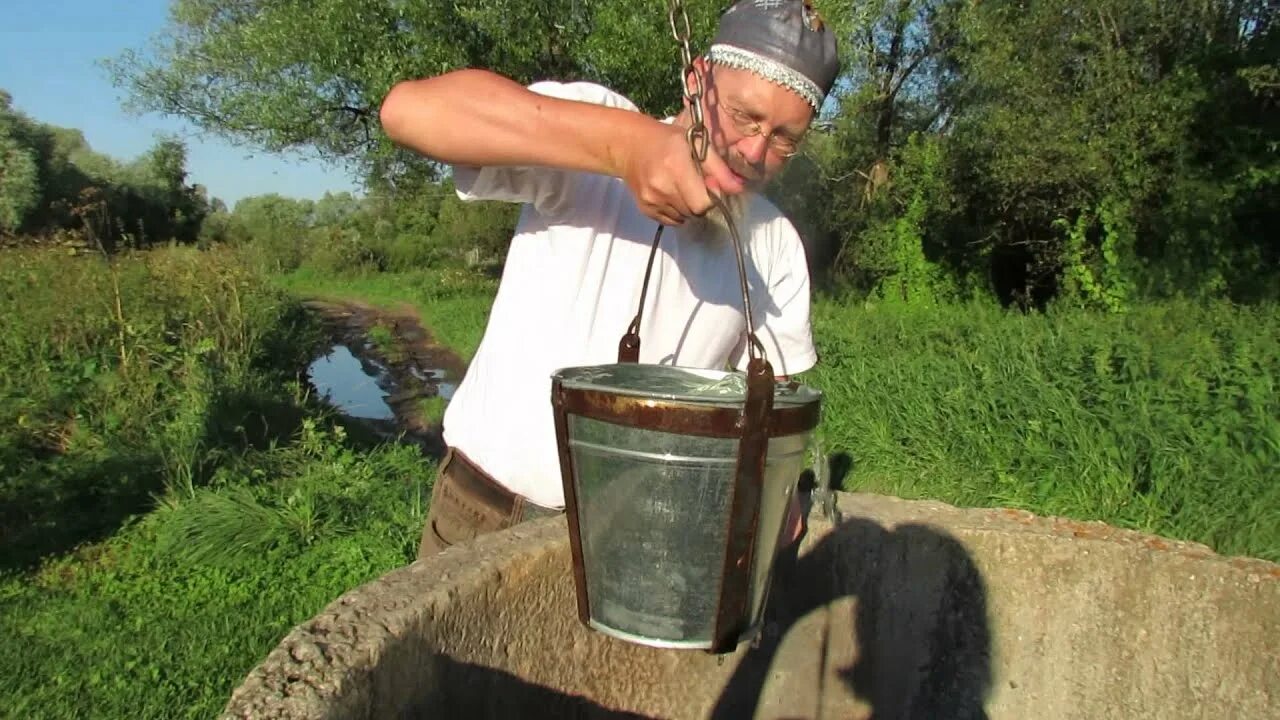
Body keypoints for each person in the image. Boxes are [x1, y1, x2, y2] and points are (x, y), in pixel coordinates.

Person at [379, 0, 840, 558]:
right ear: (697, 80)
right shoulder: (597, 126)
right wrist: (625, 148)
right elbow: (408, 112)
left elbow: (774, 410)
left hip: (639, 538)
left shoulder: (774, 245)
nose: (754, 152)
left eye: (785, 139)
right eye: (745, 116)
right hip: (484, 512)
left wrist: (778, 494)